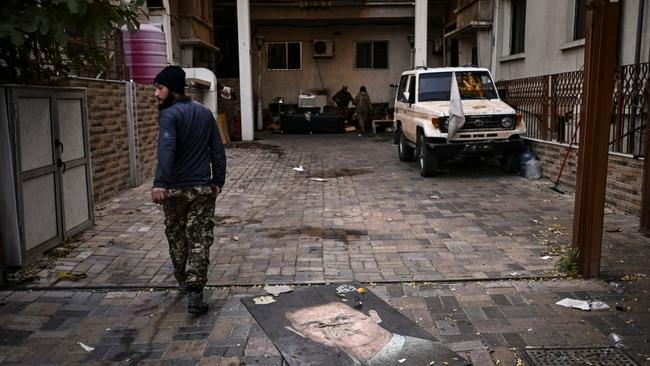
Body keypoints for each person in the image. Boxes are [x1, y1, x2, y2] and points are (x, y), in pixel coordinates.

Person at [151, 65, 226, 314]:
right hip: (202, 188)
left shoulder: (169, 115)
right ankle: (195, 290)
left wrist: (160, 182)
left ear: (172, 89)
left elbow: (166, 149)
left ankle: (185, 282)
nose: (156, 94)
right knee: (199, 237)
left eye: (159, 88)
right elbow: (217, 148)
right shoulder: (205, 113)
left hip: (173, 190)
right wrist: (218, 180)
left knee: (177, 235)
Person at [285, 301, 464, 365]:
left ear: (374, 316)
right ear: (303, 335)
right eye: (315, 325)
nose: (336, 329)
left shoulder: (430, 353)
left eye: (342, 319)